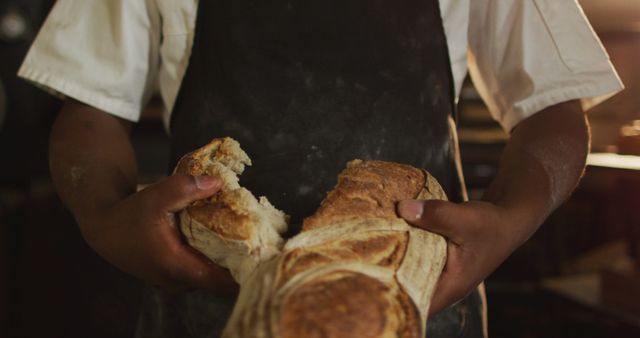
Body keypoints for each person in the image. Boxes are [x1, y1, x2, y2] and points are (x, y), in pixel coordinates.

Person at [18, 0, 623, 337]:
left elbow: (552, 109)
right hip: (208, 303)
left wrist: (511, 221)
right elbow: (90, 113)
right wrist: (102, 215)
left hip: (409, 305)